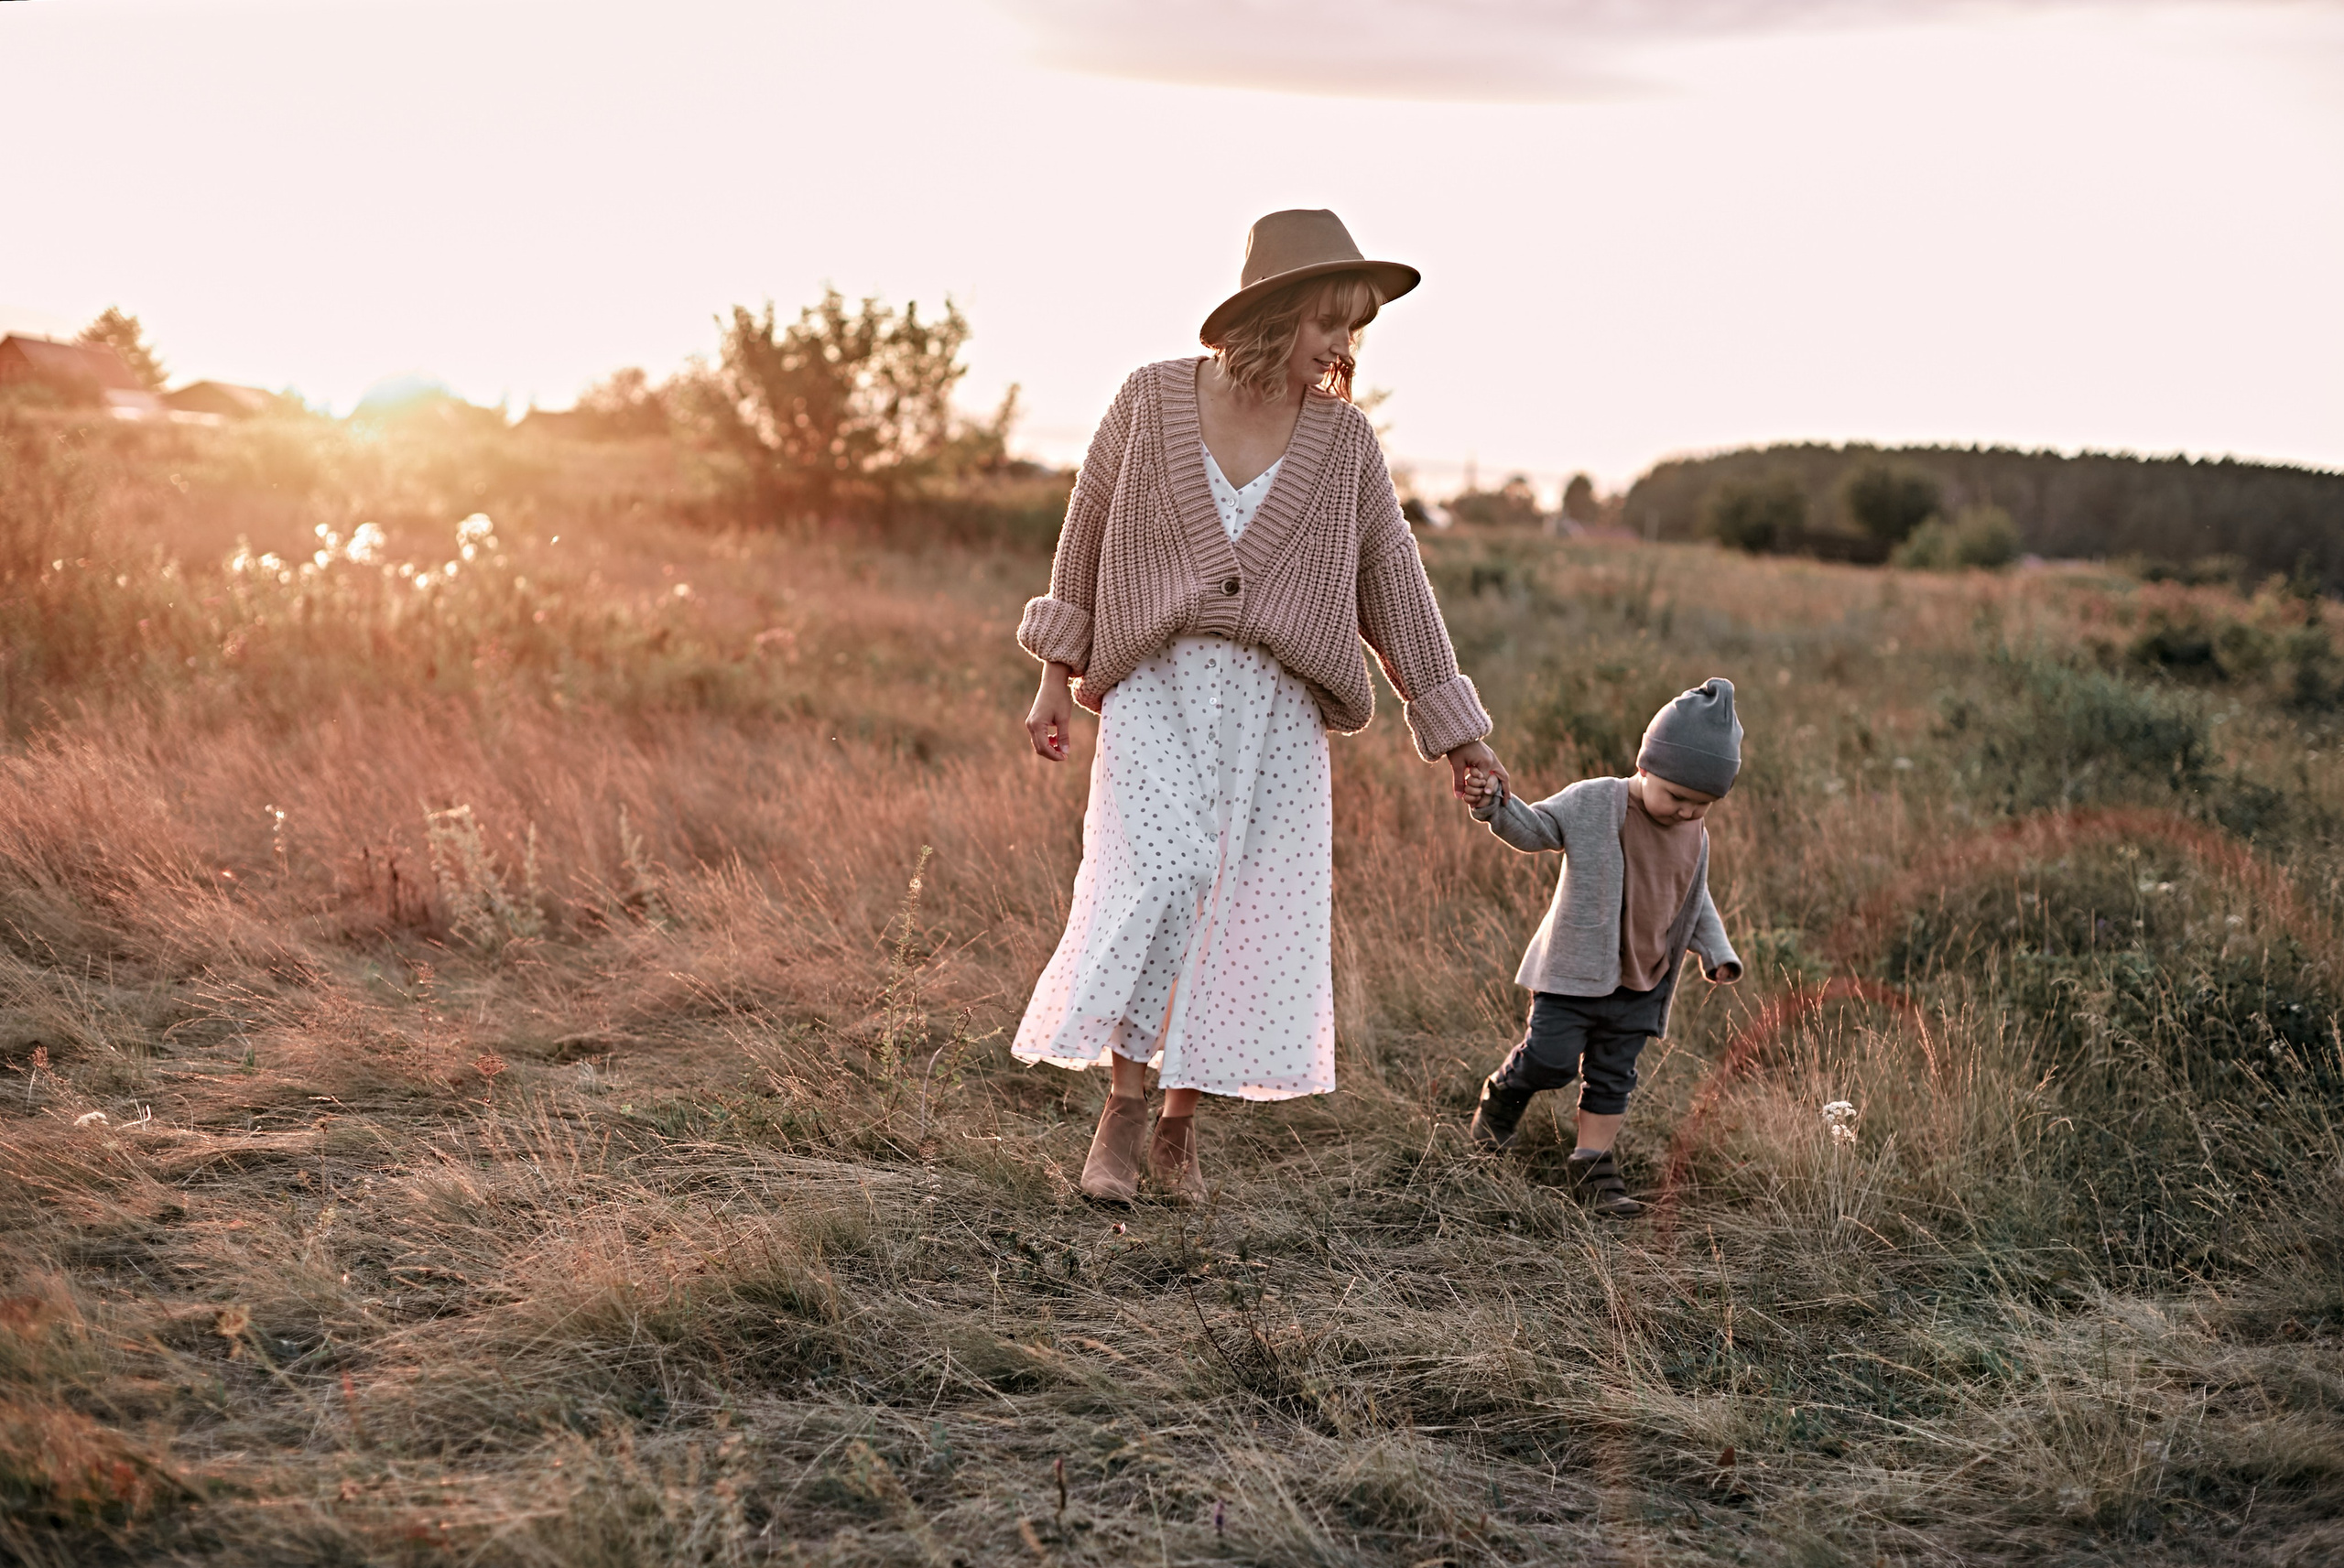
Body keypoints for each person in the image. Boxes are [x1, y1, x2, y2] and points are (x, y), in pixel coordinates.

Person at [1015, 209, 1507, 1204]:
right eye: (1330, 320)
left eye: (1355, 325)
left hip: (1275, 715)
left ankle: (1178, 1125)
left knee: (1235, 910)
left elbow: (1393, 584)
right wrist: (1054, 675)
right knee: (1160, 877)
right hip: (1156, 692)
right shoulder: (1150, 398)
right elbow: (1086, 530)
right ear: (1275, 314)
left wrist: (1458, 736)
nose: (1343, 344)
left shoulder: (1345, 442)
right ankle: (1120, 1110)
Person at [1459, 679, 1745, 1217]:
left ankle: (1592, 1167)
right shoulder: (1593, 800)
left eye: (1702, 805)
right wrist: (1495, 805)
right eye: (1677, 797)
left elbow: (1694, 896)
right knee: (1550, 1061)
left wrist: (1716, 950)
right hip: (1573, 972)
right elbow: (1536, 829)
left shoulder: (1694, 835)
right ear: (1646, 766)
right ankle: (1501, 1099)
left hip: (1643, 980)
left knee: (1614, 1077)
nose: (1687, 813)